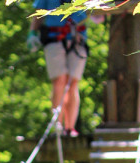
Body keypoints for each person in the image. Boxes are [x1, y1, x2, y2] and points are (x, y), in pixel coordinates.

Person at [27, 0, 93, 138]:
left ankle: (70, 128)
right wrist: (32, 32)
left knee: (72, 83)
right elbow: (38, 13)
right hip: (54, 38)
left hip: (78, 38)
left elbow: (97, 12)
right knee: (59, 81)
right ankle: (58, 125)